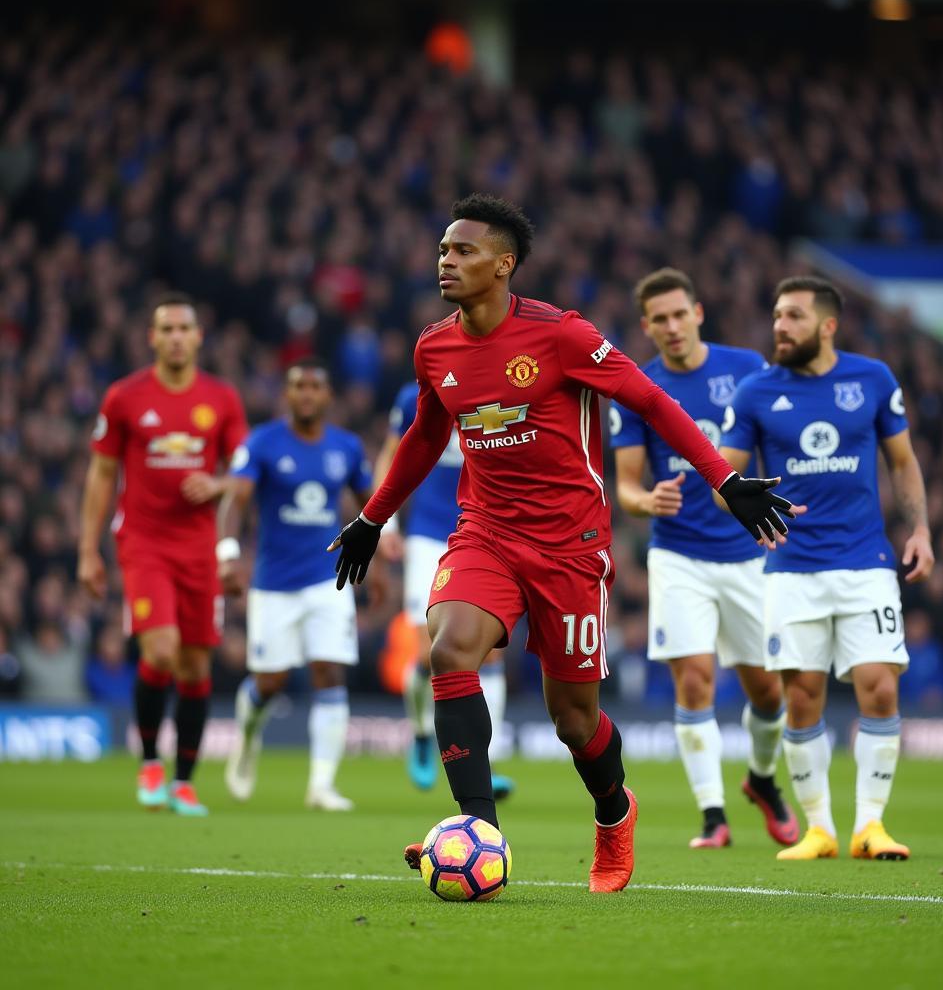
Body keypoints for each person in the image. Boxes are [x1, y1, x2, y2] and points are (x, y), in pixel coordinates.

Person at [327, 193, 796, 893]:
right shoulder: (435, 346)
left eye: (463, 251)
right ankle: (477, 827)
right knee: (450, 648)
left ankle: (614, 811)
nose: (445, 260)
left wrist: (725, 483)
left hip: (570, 544)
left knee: (573, 722)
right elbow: (427, 436)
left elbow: (652, 402)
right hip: (484, 530)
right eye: (443, 250)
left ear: (503, 265)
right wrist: (373, 518)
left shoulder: (563, 336)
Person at [718, 275, 934, 861]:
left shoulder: (872, 379)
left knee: (880, 689)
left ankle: (871, 826)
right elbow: (725, 481)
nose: (779, 327)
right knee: (804, 696)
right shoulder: (756, 392)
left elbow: (903, 462)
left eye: (792, 316)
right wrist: (747, 505)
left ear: (827, 325)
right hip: (791, 570)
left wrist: (919, 529)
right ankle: (820, 829)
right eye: (776, 316)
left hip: (866, 562)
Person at [610, 267, 798, 850]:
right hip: (680, 556)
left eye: (678, 314)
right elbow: (626, 487)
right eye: (658, 319)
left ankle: (762, 781)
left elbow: (780, 438)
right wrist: (648, 500)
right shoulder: (637, 388)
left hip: (749, 555)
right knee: (695, 682)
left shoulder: (746, 369)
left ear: (698, 313)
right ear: (646, 327)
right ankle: (712, 817)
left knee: (768, 693)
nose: (670, 327)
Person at [78, 293, 248, 816]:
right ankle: (150, 762)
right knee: (161, 652)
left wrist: (217, 484)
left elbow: (243, 476)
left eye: (184, 329)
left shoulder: (221, 399)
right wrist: (88, 550)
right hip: (144, 543)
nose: (175, 337)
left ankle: (184, 782)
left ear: (198, 337)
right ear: (152, 338)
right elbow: (102, 473)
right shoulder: (124, 397)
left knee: (197, 666)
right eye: (166, 329)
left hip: (199, 550)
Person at [219, 358, 372, 811]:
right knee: (270, 682)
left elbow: (371, 506)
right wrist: (227, 552)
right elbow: (236, 500)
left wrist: (380, 564)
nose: (306, 393)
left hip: (328, 581)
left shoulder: (346, 447)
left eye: (315, 386)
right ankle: (247, 739)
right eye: (298, 386)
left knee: (330, 671)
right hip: (274, 583)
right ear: (287, 395)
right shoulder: (263, 442)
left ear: (327, 396)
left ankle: (321, 785)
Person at [375, 382, 514, 799]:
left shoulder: (503, 389)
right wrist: (386, 522)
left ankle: (484, 761)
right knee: (425, 653)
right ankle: (421, 735)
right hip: (429, 532)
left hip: (486, 530)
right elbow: (390, 455)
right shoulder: (416, 396)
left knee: (490, 651)